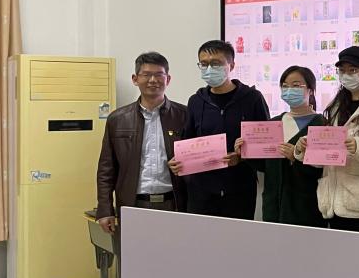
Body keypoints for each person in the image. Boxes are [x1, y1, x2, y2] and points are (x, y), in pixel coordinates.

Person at [296, 46, 359, 233]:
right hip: (335, 202)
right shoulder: (336, 106)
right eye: (342, 71)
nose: (347, 75)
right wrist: (308, 148)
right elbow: (330, 154)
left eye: (353, 70)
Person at [169, 40, 269, 219]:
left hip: (239, 190)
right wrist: (179, 161)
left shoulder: (252, 98)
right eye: (204, 64)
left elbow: (265, 144)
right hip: (201, 192)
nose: (209, 69)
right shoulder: (196, 101)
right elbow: (188, 141)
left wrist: (241, 157)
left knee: (237, 236)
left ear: (231, 65)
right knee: (201, 236)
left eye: (216, 63)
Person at [96, 51, 187, 230]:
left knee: (175, 249)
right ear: (135, 79)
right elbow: (106, 169)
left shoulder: (184, 115)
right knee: (133, 249)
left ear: (168, 79)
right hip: (133, 205)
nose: (153, 80)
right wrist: (105, 209)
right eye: (146, 75)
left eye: (159, 74)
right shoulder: (117, 119)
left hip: (174, 204)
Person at [234, 66, 327, 227]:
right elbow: (266, 166)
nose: (289, 90)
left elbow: (325, 169)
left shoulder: (322, 124)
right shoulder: (273, 124)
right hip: (273, 208)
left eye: (296, 85)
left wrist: (297, 158)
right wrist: (245, 152)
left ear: (311, 90)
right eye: (285, 86)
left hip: (307, 208)